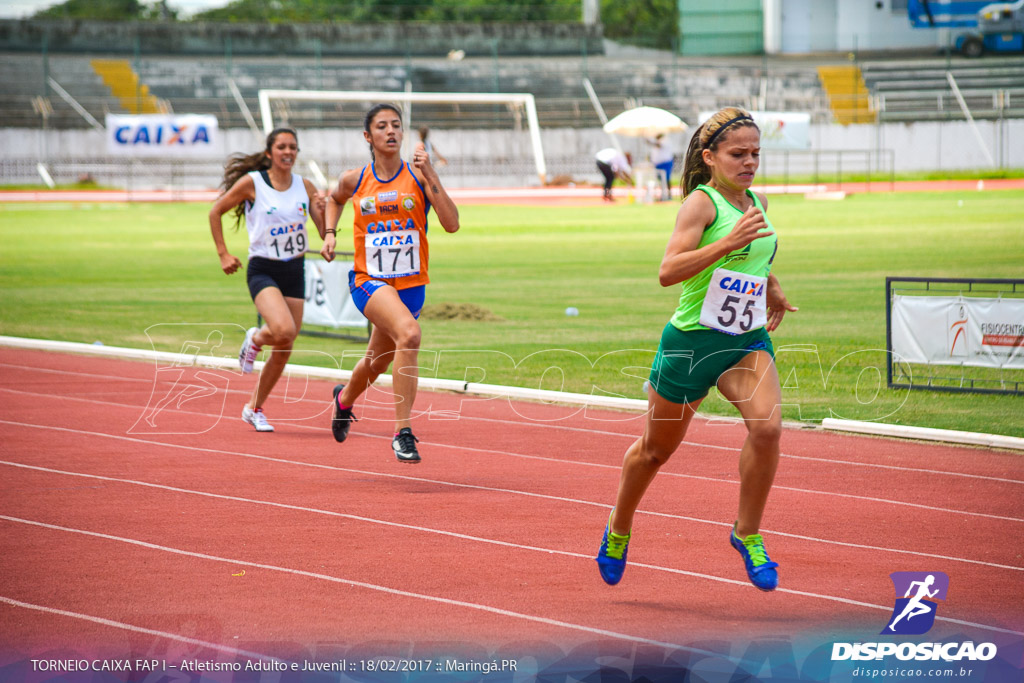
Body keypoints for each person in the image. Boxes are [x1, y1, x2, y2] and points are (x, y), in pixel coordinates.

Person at [595, 107, 798, 591]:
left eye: (755, 153)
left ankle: (746, 532)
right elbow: (669, 271)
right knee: (654, 452)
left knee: (767, 429)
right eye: (737, 154)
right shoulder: (701, 205)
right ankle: (618, 528)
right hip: (690, 343)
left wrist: (770, 285)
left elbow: (752, 256)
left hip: (745, 339)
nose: (749, 162)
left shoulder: (758, 200)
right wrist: (727, 243)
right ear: (709, 157)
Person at [322, 104, 460, 463]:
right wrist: (329, 234)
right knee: (410, 335)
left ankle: (343, 400)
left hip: (412, 285)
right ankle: (403, 433)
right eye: (381, 126)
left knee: (377, 362)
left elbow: (451, 223)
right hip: (369, 280)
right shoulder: (356, 179)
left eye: (396, 125)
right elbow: (333, 199)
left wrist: (430, 173)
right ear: (368, 136)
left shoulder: (417, 175)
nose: (390, 131)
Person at [209, 127, 326, 432]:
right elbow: (215, 211)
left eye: (293, 147)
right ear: (270, 152)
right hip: (263, 268)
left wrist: (327, 233)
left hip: (294, 269)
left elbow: (322, 224)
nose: (288, 152)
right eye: (282, 147)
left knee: (286, 343)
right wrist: (223, 254)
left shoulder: (306, 186)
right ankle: (256, 338)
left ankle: (254, 408)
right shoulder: (254, 183)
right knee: (283, 329)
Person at [646, 133, 675, 201]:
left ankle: (669, 194)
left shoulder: (665, 140)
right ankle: (663, 195)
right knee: (660, 180)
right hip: (658, 164)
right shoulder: (657, 141)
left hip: (665, 163)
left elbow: (659, 145)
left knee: (666, 179)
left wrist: (650, 141)